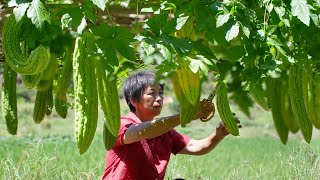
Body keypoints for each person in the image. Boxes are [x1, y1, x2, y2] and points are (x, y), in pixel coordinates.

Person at [102, 70, 241, 180]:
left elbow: (194, 147)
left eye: (161, 93)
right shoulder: (121, 124)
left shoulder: (165, 131)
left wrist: (218, 135)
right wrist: (187, 116)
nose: (159, 98)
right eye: (152, 93)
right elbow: (142, 132)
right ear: (133, 100)